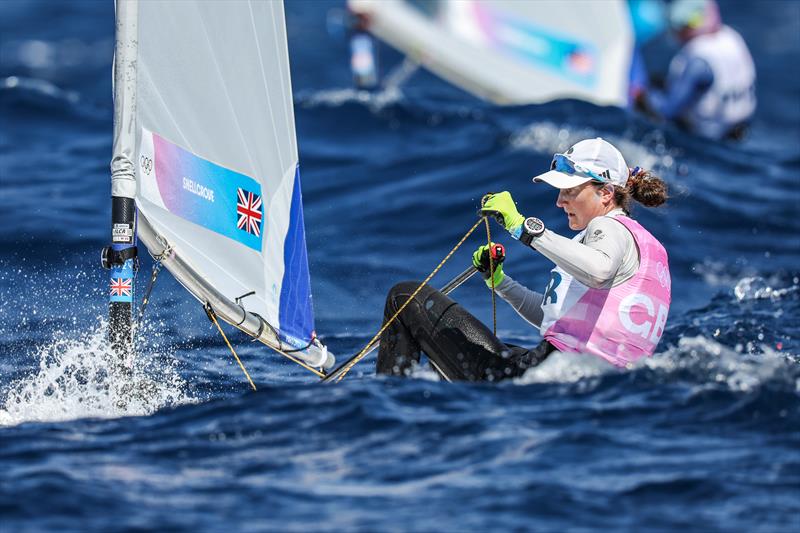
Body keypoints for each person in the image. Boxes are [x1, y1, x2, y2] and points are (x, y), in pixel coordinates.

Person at [376, 138, 672, 381]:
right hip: (586, 380)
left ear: (606, 193)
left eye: (569, 191)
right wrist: (501, 283)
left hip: (557, 376)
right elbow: (554, 320)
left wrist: (522, 228)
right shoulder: (650, 247)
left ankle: (389, 414)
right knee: (442, 361)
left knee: (404, 297)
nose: (559, 201)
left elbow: (599, 271)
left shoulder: (607, 227)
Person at [635, 0, 756, 141]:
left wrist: (639, 96)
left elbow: (666, 110)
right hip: (740, 132)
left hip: (707, 138)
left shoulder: (698, 62)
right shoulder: (731, 37)